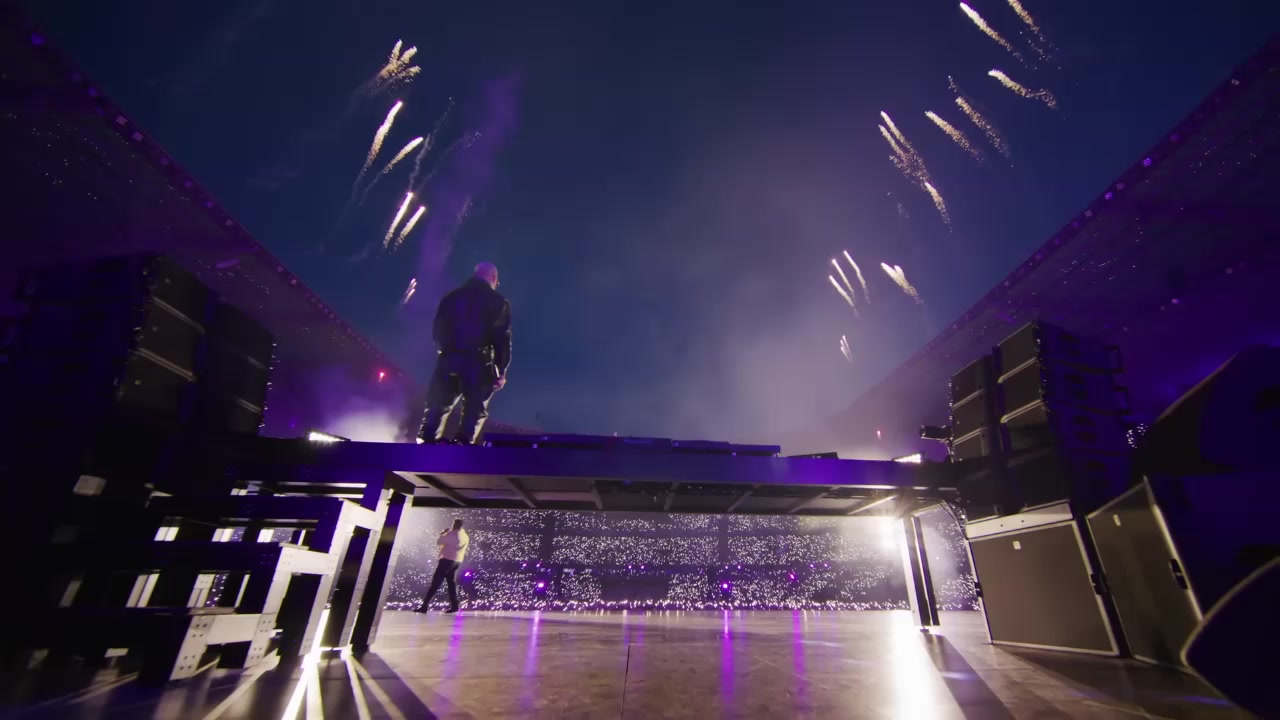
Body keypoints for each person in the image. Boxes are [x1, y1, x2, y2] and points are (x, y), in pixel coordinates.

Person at [418, 262, 512, 445]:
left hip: (448, 360)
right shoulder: (498, 302)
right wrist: (501, 370)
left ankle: (425, 444)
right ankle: (462, 446)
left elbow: (437, 331)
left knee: (437, 406)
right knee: (474, 411)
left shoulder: (451, 297)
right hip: (478, 364)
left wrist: (446, 352)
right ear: (494, 279)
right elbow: (502, 339)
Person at [417, 518, 470, 613]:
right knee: (451, 584)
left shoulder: (451, 534)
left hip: (446, 561)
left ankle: (424, 606)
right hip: (457, 561)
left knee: (435, 584)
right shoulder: (465, 536)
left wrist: (443, 533)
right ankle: (455, 606)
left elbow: (439, 542)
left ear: (454, 524)